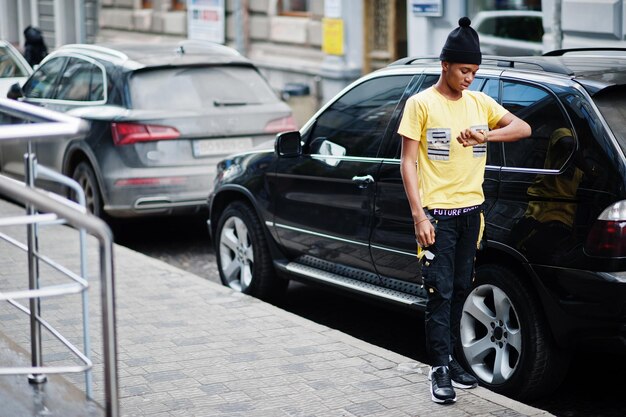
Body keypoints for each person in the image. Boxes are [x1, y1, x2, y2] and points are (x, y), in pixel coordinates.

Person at [397, 17, 531, 404]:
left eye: (474, 71)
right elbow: (407, 162)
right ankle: (438, 368)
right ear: (445, 65)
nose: (470, 78)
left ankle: (453, 359)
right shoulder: (421, 104)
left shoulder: (479, 103)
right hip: (437, 215)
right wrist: (419, 215)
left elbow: (522, 128)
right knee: (439, 292)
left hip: (472, 213)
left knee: (459, 290)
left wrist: (486, 133)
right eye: (463, 70)